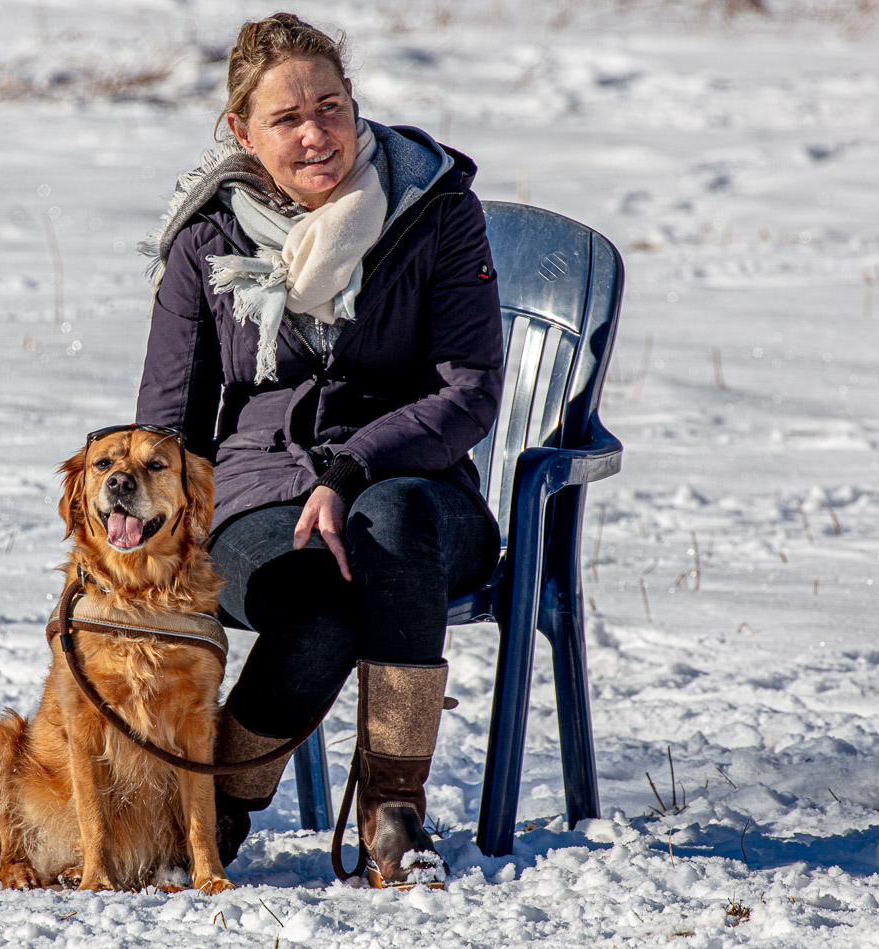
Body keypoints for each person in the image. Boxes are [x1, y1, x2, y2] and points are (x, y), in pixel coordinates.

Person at [135, 12, 503, 887]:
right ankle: (224, 798)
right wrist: (134, 536)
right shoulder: (210, 233)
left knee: (391, 521)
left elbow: (469, 389)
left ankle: (394, 812)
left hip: (422, 485)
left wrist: (353, 466)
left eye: (330, 107)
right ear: (241, 131)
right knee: (320, 589)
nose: (316, 135)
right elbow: (170, 421)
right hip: (261, 493)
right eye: (288, 119)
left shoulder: (435, 207)